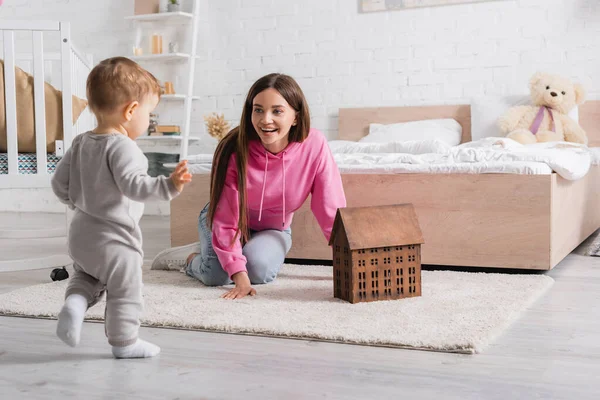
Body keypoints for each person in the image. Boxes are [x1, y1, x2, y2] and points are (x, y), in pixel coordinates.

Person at [152, 73, 346, 300]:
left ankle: (219, 252)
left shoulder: (314, 145)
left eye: (277, 111)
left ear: (295, 116)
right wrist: (239, 278)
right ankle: (188, 259)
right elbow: (226, 218)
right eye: (258, 109)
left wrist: (345, 258)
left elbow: (329, 207)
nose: (266, 120)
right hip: (226, 220)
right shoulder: (234, 149)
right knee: (216, 276)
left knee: (258, 270)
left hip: (274, 228)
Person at [51, 57, 192, 359]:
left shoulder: (79, 143)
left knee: (86, 276)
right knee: (126, 289)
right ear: (130, 111)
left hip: (81, 235)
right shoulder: (125, 147)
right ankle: (124, 343)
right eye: (149, 113)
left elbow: (59, 184)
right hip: (116, 241)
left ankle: (74, 306)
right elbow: (135, 186)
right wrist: (170, 186)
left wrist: (76, 203)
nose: (149, 120)